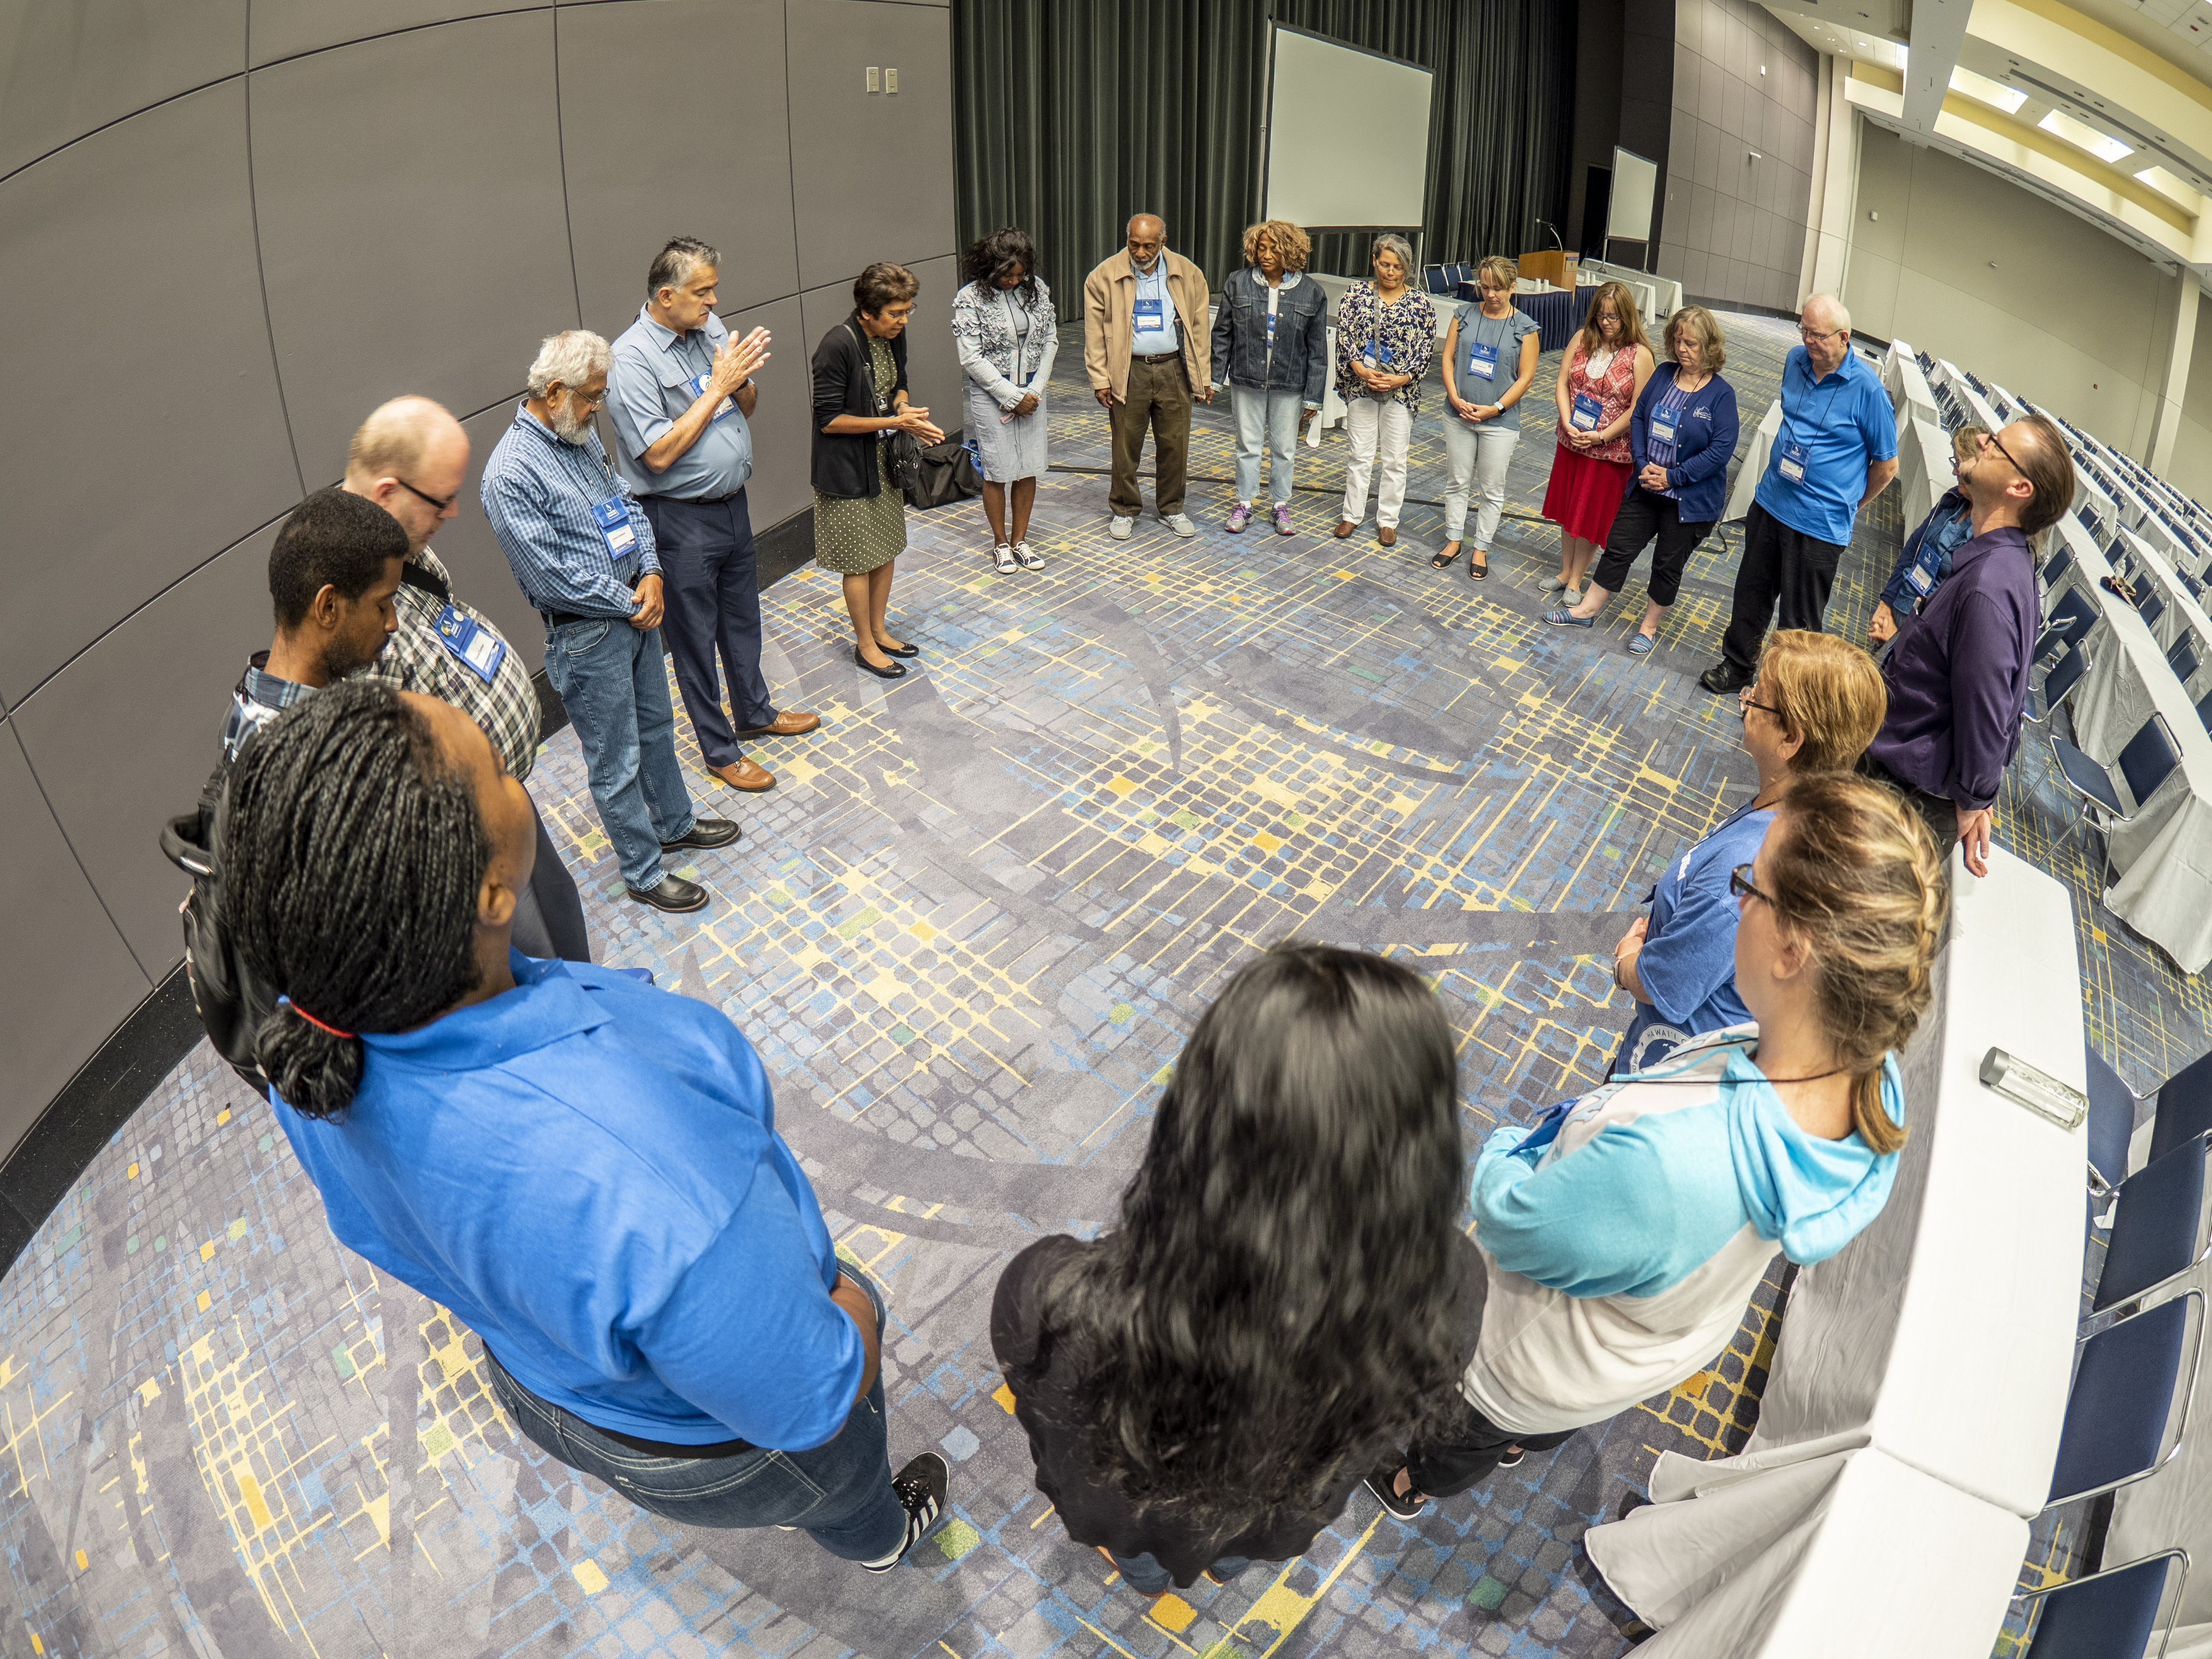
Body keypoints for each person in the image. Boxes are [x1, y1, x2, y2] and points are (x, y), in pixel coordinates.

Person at [220, 681, 951, 1571]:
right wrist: (858, 1310)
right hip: (710, 1445)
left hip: (541, 1380)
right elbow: (813, 1397)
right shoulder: (653, 1175)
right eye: (494, 766)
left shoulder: (309, 1048)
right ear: (494, 895)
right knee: (845, 1484)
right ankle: (879, 1538)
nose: (511, 766)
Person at [1367, 773, 1945, 1512]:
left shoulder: (1675, 1166)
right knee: (1524, 1429)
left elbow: (1513, 1223)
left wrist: (1507, 1148)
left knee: (1459, 1431)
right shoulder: (1860, 1072)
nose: (1733, 901)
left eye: (1750, 885)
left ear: (1793, 949)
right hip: (1615, 1352)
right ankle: (1517, 1441)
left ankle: (1408, 1480)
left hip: (1512, 1357)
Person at [993, 944, 1466, 1593]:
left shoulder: (1049, 1294)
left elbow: (1052, 1440)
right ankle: (1216, 1567)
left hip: (1125, 1513)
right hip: (1276, 1522)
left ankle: (1146, 1574)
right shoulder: (1457, 1289)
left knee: (1141, 1562)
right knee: (1230, 1557)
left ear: (1198, 1111)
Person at [480, 329, 738, 916]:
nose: (601, 405)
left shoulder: (580, 433)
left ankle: (674, 824)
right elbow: (548, 574)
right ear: (554, 391)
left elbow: (626, 502)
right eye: (593, 395)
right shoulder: (509, 475)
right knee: (615, 760)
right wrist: (629, 602)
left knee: (656, 729)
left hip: (636, 608)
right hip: (587, 633)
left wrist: (650, 571)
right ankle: (644, 872)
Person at [341, 395, 591, 964]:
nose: (453, 512)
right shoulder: (353, 607)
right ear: (386, 493)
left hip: (502, 798)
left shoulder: (401, 549)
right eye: (443, 498)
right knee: (533, 966)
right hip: (465, 839)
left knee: (558, 915)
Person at [1607, 631, 1884, 1075]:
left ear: (1791, 738)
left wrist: (1624, 963)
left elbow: (1668, 987)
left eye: (1759, 696)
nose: (1746, 699)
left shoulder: (1745, 876)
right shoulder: (1805, 810)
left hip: (1667, 1078)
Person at [608, 237, 819, 797]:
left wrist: (740, 378)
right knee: (695, 639)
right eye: (702, 293)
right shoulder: (630, 359)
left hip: (732, 506)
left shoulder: (710, 334)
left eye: (714, 291)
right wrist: (719, 385)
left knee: (742, 620)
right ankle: (720, 749)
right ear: (665, 295)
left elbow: (745, 406)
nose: (714, 304)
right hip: (678, 520)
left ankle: (754, 711)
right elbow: (655, 454)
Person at [1862, 415, 2075, 877]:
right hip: (1906, 784)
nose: (1981, 439)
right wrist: (1978, 793)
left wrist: (1974, 798)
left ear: (2019, 489)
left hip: (1904, 799)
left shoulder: (1987, 587)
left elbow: (1990, 710)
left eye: (1996, 445)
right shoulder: (1999, 562)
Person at [1700, 295, 1898, 695]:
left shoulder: (1869, 392)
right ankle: (1737, 666)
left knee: (1801, 620)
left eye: (1817, 335)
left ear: (1844, 338)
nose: (1808, 340)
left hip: (1820, 526)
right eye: (1803, 330)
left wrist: (1850, 503)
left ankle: (1785, 695)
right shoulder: (1795, 360)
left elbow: (1887, 467)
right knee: (1751, 595)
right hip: (1771, 504)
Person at [1545, 307, 1740, 651]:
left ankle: (1648, 628)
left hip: (1688, 501)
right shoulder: (1664, 374)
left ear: (1709, 346)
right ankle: (1587, 609)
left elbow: (1720, 452)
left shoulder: (1721, 395)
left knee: (1667, 563)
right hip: (1647, 483)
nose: (1682, 349)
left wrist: (1673, 477)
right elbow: (1638, 419)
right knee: (1618, 547)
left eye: (1691, 343)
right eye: (1678, 340)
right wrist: (1643, 464)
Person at [812, 262, 943, 679]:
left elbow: (898, 384)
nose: (903, 321)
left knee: (886, 549)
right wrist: (895, 423)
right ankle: (865, 645)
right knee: (859, 560)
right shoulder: (838, 345)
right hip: (847, 470)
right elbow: (829, 420)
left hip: (882, 462)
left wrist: (903, 407)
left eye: (908, 311)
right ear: (867, 311)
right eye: (895, 313)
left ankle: (880, 631)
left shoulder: (892, 335)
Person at [221, 489, 407, 762]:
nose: (393, 623)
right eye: (382, 605)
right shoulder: (305, 759)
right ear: (328, 607)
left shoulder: (246, 709)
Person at [1083, 214, 1212, 540]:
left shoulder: (1188, 273)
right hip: (1129, 370)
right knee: (1126, 446)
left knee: (1175, 444)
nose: (1140, 253)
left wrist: (1202, 379)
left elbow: (1199, 331)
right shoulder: (1104, 275)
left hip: (1174, 369)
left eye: (1148, 246)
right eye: (1134, 244)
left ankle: (1172, 508)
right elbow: (1095, 335)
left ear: (1162, 243)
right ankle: (1125, 509)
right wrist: (1100, 379)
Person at [1210, 218, 1327, 536]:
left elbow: (1318, 351)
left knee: (1285, 448)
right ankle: (1245, 503)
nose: (1266, 254)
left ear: (1290, 251)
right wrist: (1215, 378)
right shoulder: (1238, 283)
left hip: (1290, 384)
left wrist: (1315, 397)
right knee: (1247, 445)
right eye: (1261, 248)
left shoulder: (1312, 292)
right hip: (1246, 379)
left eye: (1274, 248)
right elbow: (1222, 334)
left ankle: (1280, 505)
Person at [1540, 282, 1655, 601]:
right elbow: (1562, 382)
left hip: (1609, 451)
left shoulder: (1640, 355)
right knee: (1568, 508)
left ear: (1628, 317)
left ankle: (1576, 580)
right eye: (1602, 315)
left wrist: (1602, 436)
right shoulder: (1581, 339)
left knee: (1589, 514)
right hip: (1572, 440)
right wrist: (1566, 420)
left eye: (1614, 317)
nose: (1606, 323)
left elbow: (1638, 409)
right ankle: (1565, 571)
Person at [952, 227, 1058, 573]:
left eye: (1020, 274)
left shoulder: (1037, 289)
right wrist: (1011, 397)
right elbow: (971, 358)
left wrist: (1034, 391)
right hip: (991, 396)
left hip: (1032, 392)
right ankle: (1000, 543)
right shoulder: (970, 298)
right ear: (991, 268)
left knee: (1028, 468)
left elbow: (1050, 342)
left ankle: (1021, 541)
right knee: (998, 471)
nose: (1016, 281)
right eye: (1008, 275)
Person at [1435, 255, 1540, 579]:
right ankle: (1453, 541)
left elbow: (1526, 378)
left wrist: (1496, 409)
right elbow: (1448, 359)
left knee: (1491, 489)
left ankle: (1480, 547)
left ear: (1512, 288)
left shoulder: (1525, 327)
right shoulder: (1463, 314)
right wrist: (1454, 397)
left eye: (1497, 289)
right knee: (1457, 482)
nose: (1490, 294)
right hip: (1459, 415)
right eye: (1484, 286)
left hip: (1500, 424)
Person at [1332, 234, 1437, 549]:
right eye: (1384, 264)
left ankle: (1388, 521)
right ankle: (1352, 515)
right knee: (1359, 456)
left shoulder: (1421, 304)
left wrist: (1401, 379)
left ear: (1407, 268)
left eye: (1397, 266)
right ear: (1375, 262)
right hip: (1361, 386)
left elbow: (1425, 349)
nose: (1390, 272)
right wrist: (1361, 371)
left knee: (1395, 460)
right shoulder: (1355, 294)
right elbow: (1345, 336)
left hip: (1401, 392)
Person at [1868, 424, 1986, 647]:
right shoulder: (1951, 501)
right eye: (1955, 463)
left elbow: (1956, 606)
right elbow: (1913, 550)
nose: (1954, 471)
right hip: (1901, 608)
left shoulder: (1984, 533)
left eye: (1959, 464)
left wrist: (1901, 634)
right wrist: (1886, 604)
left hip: (1924, 635)